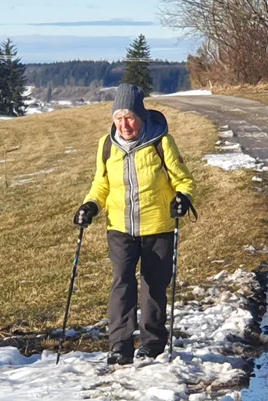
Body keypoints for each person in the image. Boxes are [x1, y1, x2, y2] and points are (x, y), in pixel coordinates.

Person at [75, 84, 196, 365]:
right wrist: (90, 205)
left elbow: (183, 179)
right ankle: (120, 345)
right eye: (118, 118)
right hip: (120, 227)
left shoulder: (161, 142)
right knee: (122, 283)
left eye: (129, 117)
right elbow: (100, 183)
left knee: (154, 286)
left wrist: (183, 198)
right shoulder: (106, 145)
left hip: (158, 226)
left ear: (141, 116)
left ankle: (152, 343)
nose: (124, 124)